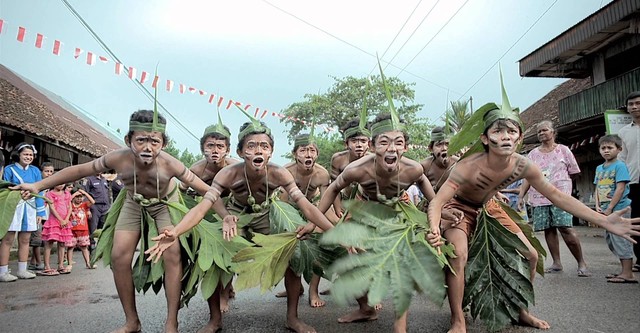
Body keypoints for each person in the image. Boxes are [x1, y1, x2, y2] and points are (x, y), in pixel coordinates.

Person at [427, 99, 640, 333]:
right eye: (498, 131)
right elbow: (437, 201)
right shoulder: (467, 166)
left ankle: (521, 311)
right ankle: (458, 320)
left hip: (490, 207)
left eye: (512, 131)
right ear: (485, 139)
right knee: (458, 255)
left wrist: (602, 220)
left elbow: (557, 196)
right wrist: (435, 227)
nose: (506, 136)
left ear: (518, 139)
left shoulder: (523, 166)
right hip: (460, 208)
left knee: (531, 255)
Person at [12, 109, 211, 333]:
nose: (147, 147)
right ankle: (132, 321)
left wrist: (225, 212)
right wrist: (38, 186)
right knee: (119, 255)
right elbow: (79, 170)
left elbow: (208, 191)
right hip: (132, 202)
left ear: (163, 143)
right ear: (128, 140)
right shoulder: (118, 158)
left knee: (172, 253)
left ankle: (171, 322)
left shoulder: (171, 164)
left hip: (165, 204)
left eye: (154, 141)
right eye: (141, 140)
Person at [146, 119, 335, 333]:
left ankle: (292, 317)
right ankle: (214, 319)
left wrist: (337, 232)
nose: (258, 150)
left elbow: (307, 207)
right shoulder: (228, 174)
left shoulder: (279, 173)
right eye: (251, 146)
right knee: (214, 257)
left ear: (271, 151)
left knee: (293, 252)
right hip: (235, 214)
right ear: (240, 150)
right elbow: (203, 207)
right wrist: (177, 231)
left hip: (266, 213)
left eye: (264, 146)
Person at [316, 113, 438, 332]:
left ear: (406, 147)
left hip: (400, 208)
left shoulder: (415, 169)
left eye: (398, 142)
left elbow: (433, 199)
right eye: (384, 142)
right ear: (372, 146)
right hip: (365, 207)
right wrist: (312, 220)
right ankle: (366, 309)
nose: (392, 148)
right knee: (351, 255)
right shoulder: (356, 169)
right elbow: (333, 188)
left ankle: (400, 325)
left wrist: (437, 221)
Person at [517, 120, 590, 276]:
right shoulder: (533, 154)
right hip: (539, 198)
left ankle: (581, 262)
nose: (542, 133)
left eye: (545, 130)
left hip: (560, 197)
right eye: (539, 132)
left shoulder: (564, 150)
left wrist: (564, 188)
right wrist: (521, 195)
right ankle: (556, 263)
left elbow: (574, 173)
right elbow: (527, 177)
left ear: (553, 132)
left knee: (566, 228)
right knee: (549, 230)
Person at [187, 117, 240, 330]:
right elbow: (181, 191)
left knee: (230, 253)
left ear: (227, 149)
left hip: (234, 212)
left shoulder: (237, 167)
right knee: (211, 256)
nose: (215, 150)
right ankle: (217, 303)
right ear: (203, 149)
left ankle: (226, 291)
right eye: (210, 145)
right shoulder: (196, 170)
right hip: (207, 215)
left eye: (220, 146)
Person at [279, 133, 334, 308]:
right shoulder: (286, 171)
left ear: (317, 154)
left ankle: (313, 290)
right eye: (303, 150)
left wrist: (315, 223)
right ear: (295, 154)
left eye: (312, 150)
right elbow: (283, 203)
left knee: (317, 243)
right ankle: (295, 288)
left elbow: (325, 203)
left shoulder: (322, 174)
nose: (308, 154)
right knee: (291, 243)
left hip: (316, 207)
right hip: (293, 208)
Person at [593, 135, 636, 283]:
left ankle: (628, 273)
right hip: (606, 210)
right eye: (603, 148)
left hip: (619, 209)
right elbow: (597, 187)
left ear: (619, 149)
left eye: (610, 148)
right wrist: (598, 205)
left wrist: (610, 207)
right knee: (611, 240)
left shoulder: (620, 166)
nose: (606, 151)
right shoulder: (599, 168)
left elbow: (620, 188)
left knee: (621, 240)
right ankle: (623, 270)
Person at [0, 143, 45, 282]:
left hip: (30, 208)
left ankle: (22, 270)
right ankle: (2, 271)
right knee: (8, 239)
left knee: (25, 239)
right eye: (25, 154)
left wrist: (40, 212)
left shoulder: (36, 171)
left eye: (31, 155)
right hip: (14, 206)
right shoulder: (9, 169)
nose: (28, 157)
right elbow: (5, 187)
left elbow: (41, 190)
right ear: (18, 155)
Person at [330, 116, 371, 216]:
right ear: (346, 144)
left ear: (369, 144)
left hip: (367, 204)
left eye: (363, 141)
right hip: (345, 201)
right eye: (354, 141)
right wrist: (338, 209)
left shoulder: (373, 160)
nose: (359, 145)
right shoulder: (338, 159)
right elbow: (334, 188)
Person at [618, 91, 640, 272]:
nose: (634, 107)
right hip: (634, 182)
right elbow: (623, 158)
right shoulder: (623, 132)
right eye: (631, 104)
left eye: (638, 103)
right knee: (636, 220)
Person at [40, 183, 73, 276]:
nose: (61, 186)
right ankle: (47, 266)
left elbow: (70, 207)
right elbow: (52, 208)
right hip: (54, 221)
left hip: (65, 221)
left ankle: (61, 265)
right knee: (49, 243)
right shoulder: (49, 194)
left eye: (63, 184)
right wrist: (60, 219)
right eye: (59, 183)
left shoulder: (66, 194)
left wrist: (66, 219)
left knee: (62, 243)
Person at [29, 162, 54, 271]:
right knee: (37, 239)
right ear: (41, 172)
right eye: (46, 171)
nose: (49, 174)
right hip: (37, 214)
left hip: (46, 215)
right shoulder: (37, 184)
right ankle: (39, 262)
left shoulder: (50, 186)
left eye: (51, 172)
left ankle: (33, 262)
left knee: (43, 238)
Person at [65, 187, 96, 270]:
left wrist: (85, 193)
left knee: (84, 247)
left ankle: (88, 263)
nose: (79, 198)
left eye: (81, 197)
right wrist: (74, 194)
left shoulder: (84, 205)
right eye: (77, 197)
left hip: (83, 230)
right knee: (70, 247)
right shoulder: (70, 205)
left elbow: (93, 201)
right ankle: (69, 264)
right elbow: (67, 201)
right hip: (72, 230)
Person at [420, 126, 459, 192]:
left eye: (448, 144)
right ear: (431, 148)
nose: (444, 148)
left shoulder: (460, 164)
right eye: (439, 144)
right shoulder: (424, 167)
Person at [82, 173, 111, 250]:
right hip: (94, 206)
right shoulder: (89, 179)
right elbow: (85, 194)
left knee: (104, 226)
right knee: (93, 226)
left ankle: (101, 245)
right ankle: (92, 244)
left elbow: (108, 193)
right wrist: (87, 209)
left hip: (105, 206)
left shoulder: (104, 179)